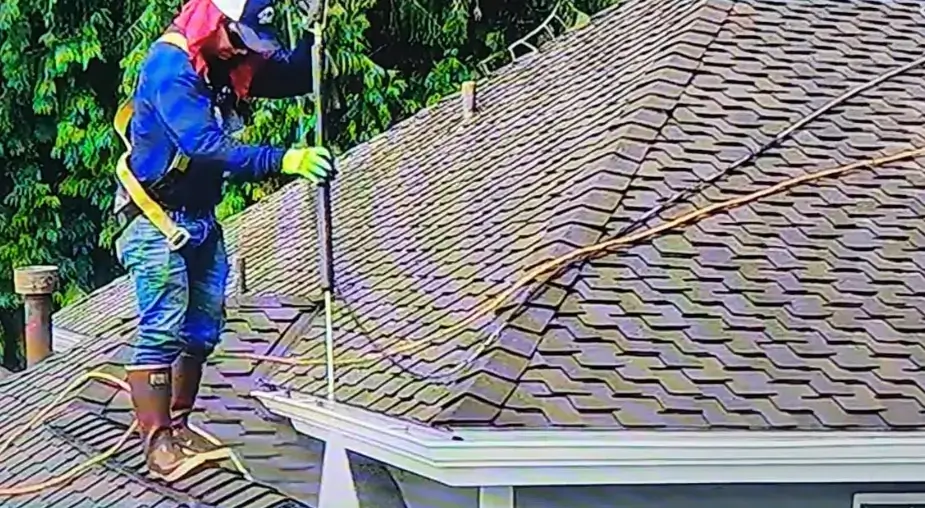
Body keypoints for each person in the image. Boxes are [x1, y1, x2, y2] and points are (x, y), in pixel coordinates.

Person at [111, 0, 333, 482]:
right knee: (163, 328)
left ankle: (181, 424)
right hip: (156, 220)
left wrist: (316, 31)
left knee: (203, 329)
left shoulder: (224, 58)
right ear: (217, 22)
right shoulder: (172, 67)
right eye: (241, 40)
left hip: (201, 218)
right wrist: (285, 160)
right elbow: (204, 145)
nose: (245, 51)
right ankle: (158, 443)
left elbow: (296, 76)